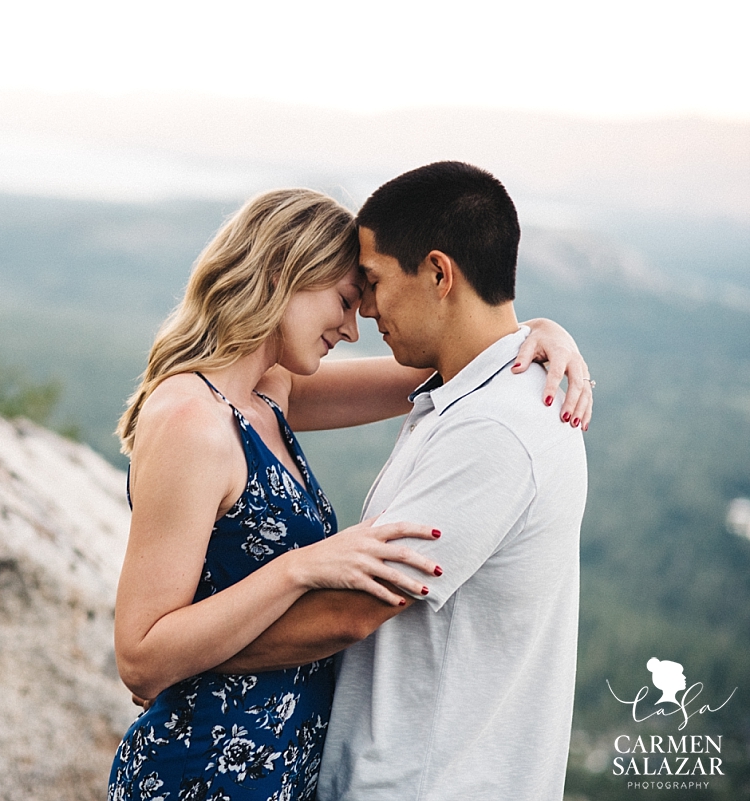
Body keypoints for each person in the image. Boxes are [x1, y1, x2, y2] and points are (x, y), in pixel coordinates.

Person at [107, 185, 591, 801]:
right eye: (343, 298)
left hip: (282, 766)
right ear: (283, 273)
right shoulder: (190, 421)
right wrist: (298, 570)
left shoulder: (269, 394)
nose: (354, 325)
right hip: (204, 767)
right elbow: (142, 654)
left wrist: (542, 334)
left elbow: (455, 356)